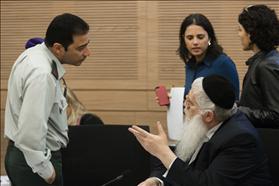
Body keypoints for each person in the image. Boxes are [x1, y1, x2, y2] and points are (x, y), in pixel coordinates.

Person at [129, 75, 273, 186]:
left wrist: (163, 152)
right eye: (186, 99)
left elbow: (204, 183)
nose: (185, 108)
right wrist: (156, 182)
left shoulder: (240, 139)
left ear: (208, 115)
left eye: (190, 104)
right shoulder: (208, 123)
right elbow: (185, 170)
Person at [4, 13, 91, 186]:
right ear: (58, 48)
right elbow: (30, 133)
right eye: (81, 48)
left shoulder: (34, 54)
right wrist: (46, 170)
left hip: (26, 158)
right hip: (34, 163)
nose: (88, 53)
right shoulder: (42, 74)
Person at [178, 14, 239, 99]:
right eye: (190, 38)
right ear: (184, 40)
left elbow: (234, 102)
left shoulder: (223, 63)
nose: (195, 42)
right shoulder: (189, 65)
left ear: (209, 38)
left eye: (200, 37)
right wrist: (173, 101)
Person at [237, 4, 279, 128]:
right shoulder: (264, 60)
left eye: (240, 29)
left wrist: (237, 111)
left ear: (251, 33)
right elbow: (255, 103)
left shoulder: (267, 65)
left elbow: (276, 115)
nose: (239, 34)